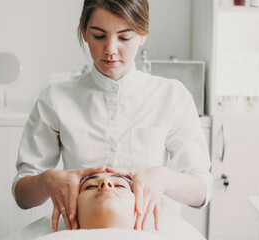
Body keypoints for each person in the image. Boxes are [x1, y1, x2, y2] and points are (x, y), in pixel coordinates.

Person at [13, 0, 212, 233]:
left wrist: (165, 178)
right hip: (79, 232)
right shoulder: (56, 98)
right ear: (84, 32)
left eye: (124, 37)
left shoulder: (171, 96)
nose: (110, 49)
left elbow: (202, 191)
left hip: (150, 232)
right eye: (98, 36)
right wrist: (45, 181)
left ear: (143, 34)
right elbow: (22, 195)